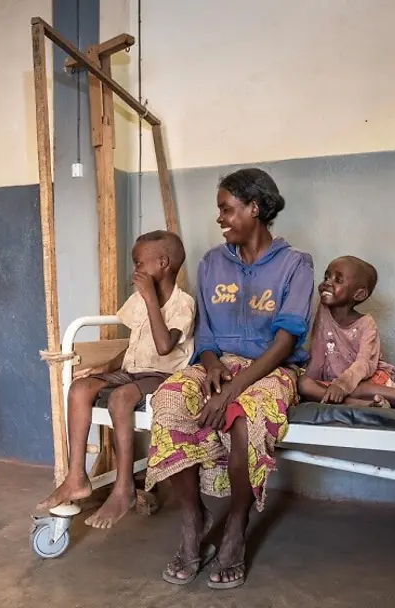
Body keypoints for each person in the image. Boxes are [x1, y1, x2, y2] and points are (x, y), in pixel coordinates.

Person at [145, 168, 314, 589]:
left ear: (254, 208)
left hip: (273, 369)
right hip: (219, 363)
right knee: (168, 401)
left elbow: (285, 340)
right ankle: (193, 520)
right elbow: (205, 335)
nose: (220, 218)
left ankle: (236, 526)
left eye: (227, 209)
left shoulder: (296, 265)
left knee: (244, 417)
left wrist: (233, 389)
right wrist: (213, 365)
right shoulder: (211, 263)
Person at [36, 230, 195, 529]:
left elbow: (164, 346)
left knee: (121, 398)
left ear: (162, 263)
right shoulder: (138, 300)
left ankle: (124, 488)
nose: (135, 269)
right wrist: (105, 367)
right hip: (132, 370)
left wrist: (150, 299)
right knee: (80, 388)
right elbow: (135, 344)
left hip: (163, 376)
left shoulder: (182, 304)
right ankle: (76, 477)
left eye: (139, 263)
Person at [298, 256, 395, 408]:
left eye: (338, 280)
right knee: (304, 383)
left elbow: (364, 364)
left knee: (362, 388)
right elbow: (317, 352)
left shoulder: (367, 323)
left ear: (359, 294)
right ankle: (361, 404)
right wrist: (309, 385)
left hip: (363, 379)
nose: (327, 283)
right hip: (335, 383)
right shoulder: (324, 311)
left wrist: (342, 385)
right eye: (326, 277)